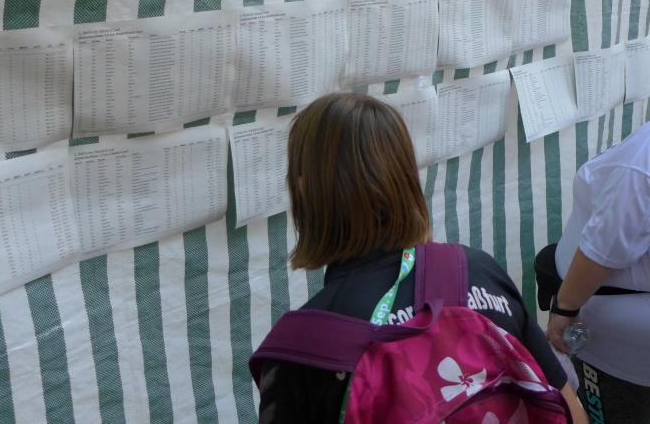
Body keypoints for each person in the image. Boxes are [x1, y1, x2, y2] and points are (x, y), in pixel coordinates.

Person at [257, 93, 585, 423]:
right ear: (405, 178)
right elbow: (571, 411)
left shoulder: (303, 345)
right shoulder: (477, 270)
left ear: (304, 188)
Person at [548, 121, 650, 423]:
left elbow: (603, 249)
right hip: (627, 325)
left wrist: (564, 308)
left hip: (617, 342)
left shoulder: (641, 163)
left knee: (615, 413)